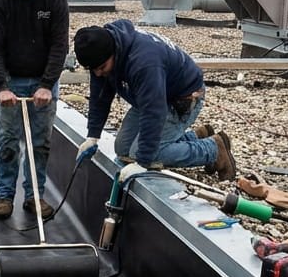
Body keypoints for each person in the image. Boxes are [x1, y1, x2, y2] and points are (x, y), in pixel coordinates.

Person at [73, 21, 236, 181]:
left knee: (148, 155)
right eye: (94, 70)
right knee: (123, 150)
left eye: (102, 67)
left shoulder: (144, 62)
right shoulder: (104, 51)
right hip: (149, 97)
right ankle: (195, 137)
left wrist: (143, 162)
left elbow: (154, 112)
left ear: (114, 52)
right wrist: (92, 136)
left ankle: (214, 149)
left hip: (181, 99)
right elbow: (99, 97)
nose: (99, 73)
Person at [0, 0, 69, 220]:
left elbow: (59, 46)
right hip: (11, 80)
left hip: (42, 82)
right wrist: (1, 87)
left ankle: (34, 196)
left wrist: (47, 83)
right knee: (8, 141)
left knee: (40, 143)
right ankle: (4, 196)